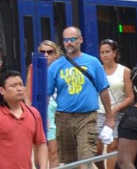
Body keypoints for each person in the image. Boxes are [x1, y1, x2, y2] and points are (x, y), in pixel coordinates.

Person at [47, 27, 113, 168]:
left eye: (73, 39)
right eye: (66, 40)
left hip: (87, 117)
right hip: (63, 117)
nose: (69, 43)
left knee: (86, 158)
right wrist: (42, 120)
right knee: (70, 163)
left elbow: (103, 91)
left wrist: (109, 117)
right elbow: (47, 94)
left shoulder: (93, 62)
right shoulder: (55, 66)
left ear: (81, 40)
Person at [0, 70, 49, 169]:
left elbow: (41, 144)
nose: (19, 88)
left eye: (21, 84)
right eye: (13, 86)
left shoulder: (33, 114)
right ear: (1, 90)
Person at [97, 39, 133, 169]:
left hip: (118, 113)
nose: (105, 55)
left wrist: (115, 109)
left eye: (107, 52)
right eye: (102, 52)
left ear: (114, 53)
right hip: (98, 113)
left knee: (113, 147)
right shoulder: (97, 70)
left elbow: (130, 97)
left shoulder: (124, 71)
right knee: (97, 149)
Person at [33, 40, 63, 167]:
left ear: (56, 54)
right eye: (42, 52)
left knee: (53, 152)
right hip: (40, 113)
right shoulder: (34, 70)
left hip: (58, 113)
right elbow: (29, 96)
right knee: (38, 153)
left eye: (49, 52)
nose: (45, 55)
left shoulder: (62, 70)